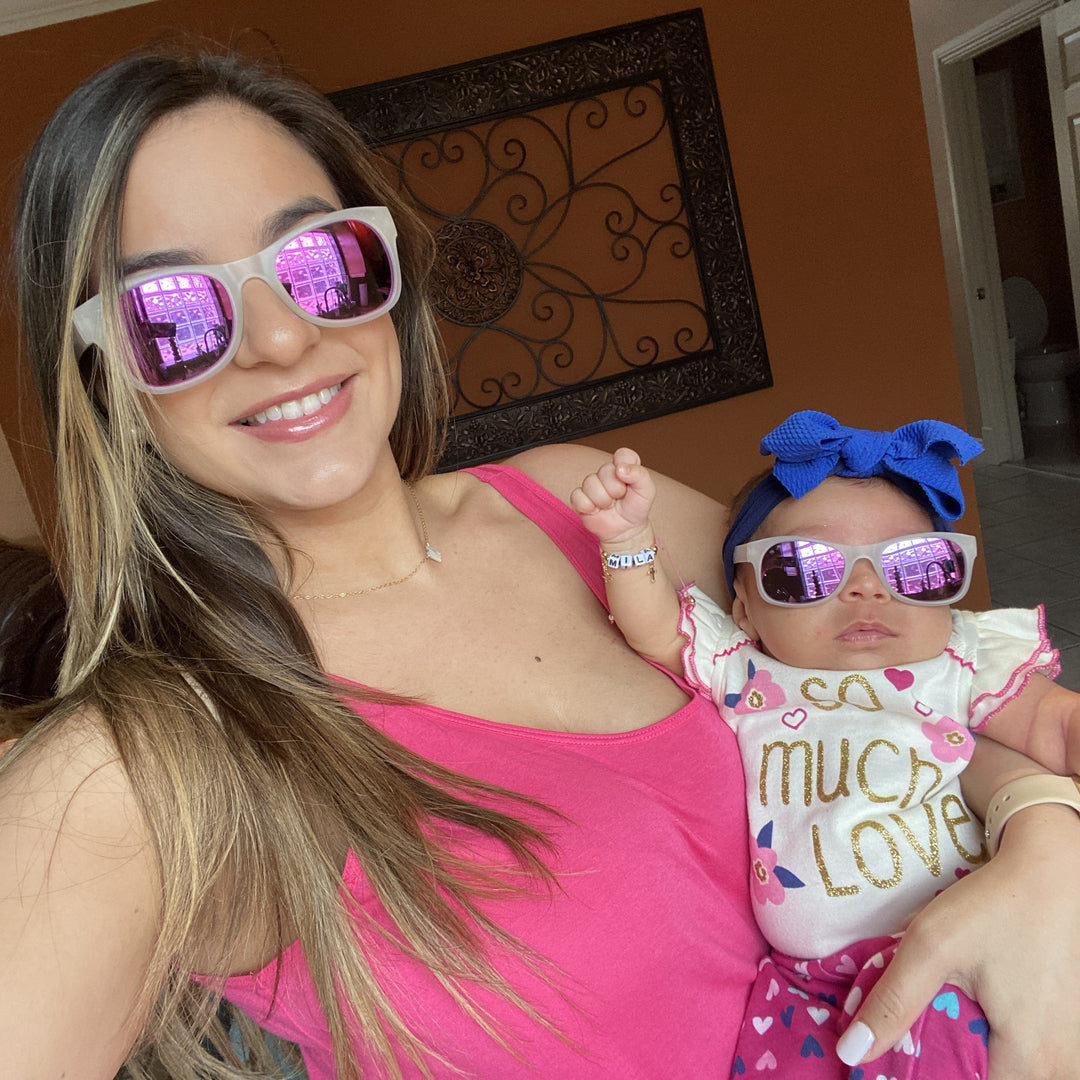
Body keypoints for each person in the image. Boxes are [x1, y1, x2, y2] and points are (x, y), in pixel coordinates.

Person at [2, 46, 1079, 1080]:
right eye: (171, 315)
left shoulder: (578, 504)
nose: (280, 338)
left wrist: (1040, 834)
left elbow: (905, 679)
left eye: (319, 261)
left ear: (386, 273)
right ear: (101, 379)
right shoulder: (138, 767)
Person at [571, 411, 1080, 1077]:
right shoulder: (746, 672)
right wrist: (627, 539)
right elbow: (658, 628)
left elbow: (1055, 724)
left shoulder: (958, 660)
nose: (866, 587)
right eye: (804, 571)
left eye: (914, 567)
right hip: (804, 982)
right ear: (745, 609)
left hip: (969, 947)